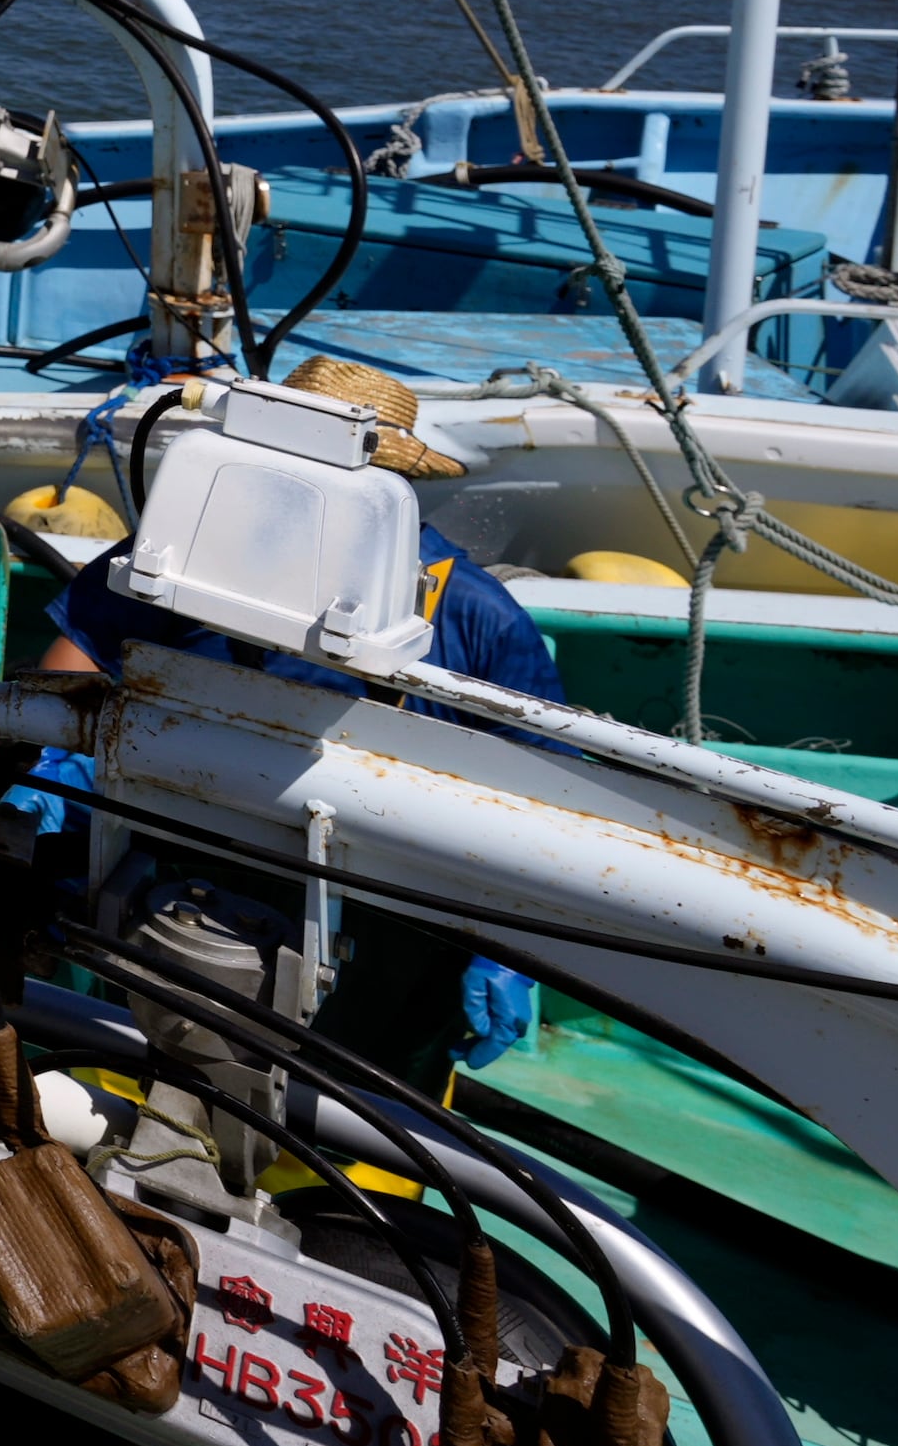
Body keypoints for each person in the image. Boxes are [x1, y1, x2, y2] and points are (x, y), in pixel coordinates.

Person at [37, 353, 563, 1072]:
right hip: (164, 919)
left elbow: (546, 801)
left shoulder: (478, 619)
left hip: (386, 951)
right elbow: (72, 669)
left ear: (389, 487)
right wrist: (47, 768)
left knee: (353, 1158)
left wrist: (510, 953)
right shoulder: (176, 560)